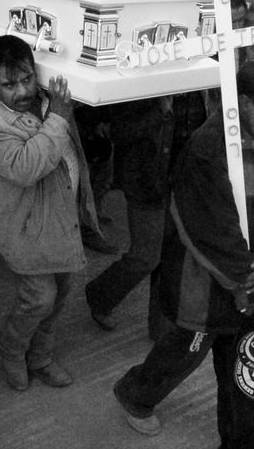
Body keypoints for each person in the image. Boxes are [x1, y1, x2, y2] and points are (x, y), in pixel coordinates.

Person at [112, 56, 254, 449]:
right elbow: (209, 230)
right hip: (207, 286)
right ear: (244, 102)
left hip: (252, 287)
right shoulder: (205, 150)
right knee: (183, 352)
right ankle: (134, 394)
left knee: (245, 373)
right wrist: (245, 279)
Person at [0, 35, 102, 391]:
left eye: (27, 78)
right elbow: (27, 167)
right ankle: (12, 352)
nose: (21, 90)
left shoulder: (45, 93)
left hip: (59, 214)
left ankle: (40, 357)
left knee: (60, 294)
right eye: (9, 84)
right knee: (39, 298)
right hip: (24, 225)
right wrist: (59, 116)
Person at [84, 92, 207, 332]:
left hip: (182, 180)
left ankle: (161, 325)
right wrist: (161, 111)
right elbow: (119, 133)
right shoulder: (144, 80)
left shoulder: (202, 76)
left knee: (171, 254)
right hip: (146, 181)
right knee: (146, 257)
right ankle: (100, 296)